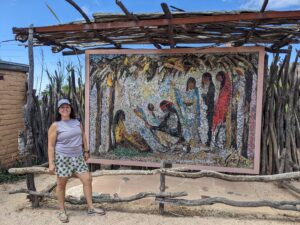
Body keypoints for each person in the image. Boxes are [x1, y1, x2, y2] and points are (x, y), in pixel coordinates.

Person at [48, 99, 105, 223]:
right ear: (58, 110)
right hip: (63, 157)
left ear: (70, 108)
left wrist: (86, 150)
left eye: (67, 107)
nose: (65, 109)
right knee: (62, 184)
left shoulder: (77, 122)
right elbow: (51, 146)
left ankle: (91, 208)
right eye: (62, 107)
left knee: (87, 179)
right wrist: (51, 163)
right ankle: (62, 211)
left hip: (78, 156)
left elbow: (83, 136)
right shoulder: (55, 125)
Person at [212, 71, 232, 149]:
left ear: (222, 76)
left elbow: (225, 98)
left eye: (219, 78)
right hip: (220, 108)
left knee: (221, 126)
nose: (219, 80)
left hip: (223, 109)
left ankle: (220, 143)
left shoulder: (227, 86)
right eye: (217, 79)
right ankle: (217, 143)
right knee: (218, 126)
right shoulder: (223, 86)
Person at [201, 72, 215, 146]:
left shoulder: (211, 87)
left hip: (210, 109)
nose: (205, 80)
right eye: (204, 79)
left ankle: (209, 141)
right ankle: (206, 141)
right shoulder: (204, 86)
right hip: (205, 109)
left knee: (209, 125)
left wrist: (204, 96)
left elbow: (210, 99)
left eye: (206, 79)